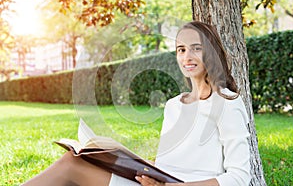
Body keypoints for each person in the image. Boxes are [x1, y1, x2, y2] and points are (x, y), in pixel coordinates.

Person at [22, 21, 251, 186]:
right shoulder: (174, 105)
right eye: (181, 49)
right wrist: (125, 162)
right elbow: (166, 163)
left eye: (196, 48)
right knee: (75, 159)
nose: (186, 56)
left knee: (73, 167)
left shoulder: (227, 103)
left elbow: (240, 177)